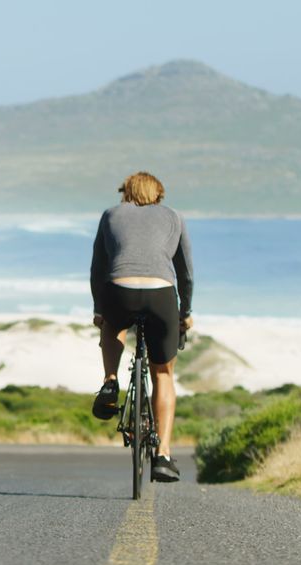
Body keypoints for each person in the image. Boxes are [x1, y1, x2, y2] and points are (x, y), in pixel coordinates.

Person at [89, 171, 193, 483]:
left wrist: (99, 310)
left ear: (126, 193)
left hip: (119, 290)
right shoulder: (174, 217)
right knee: (163, 373)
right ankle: (162, 454)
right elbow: (185, 273)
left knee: (112, 324)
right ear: (158, 195)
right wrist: (184, 312)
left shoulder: (110, 215)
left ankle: (109, 380)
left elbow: (98, 268)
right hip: (161, 295)